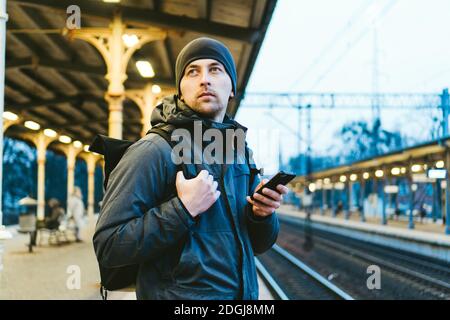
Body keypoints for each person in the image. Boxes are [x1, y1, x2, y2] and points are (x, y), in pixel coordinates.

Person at [93, 37, 289, 300]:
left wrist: (261, 215)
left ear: (232, 87)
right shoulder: (153, 150)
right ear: (180, 90)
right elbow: (109, 246)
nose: (204, 79)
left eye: (215, 69)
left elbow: (259, 245)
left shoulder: (239, 152)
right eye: (192, 72)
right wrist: (182, 209)